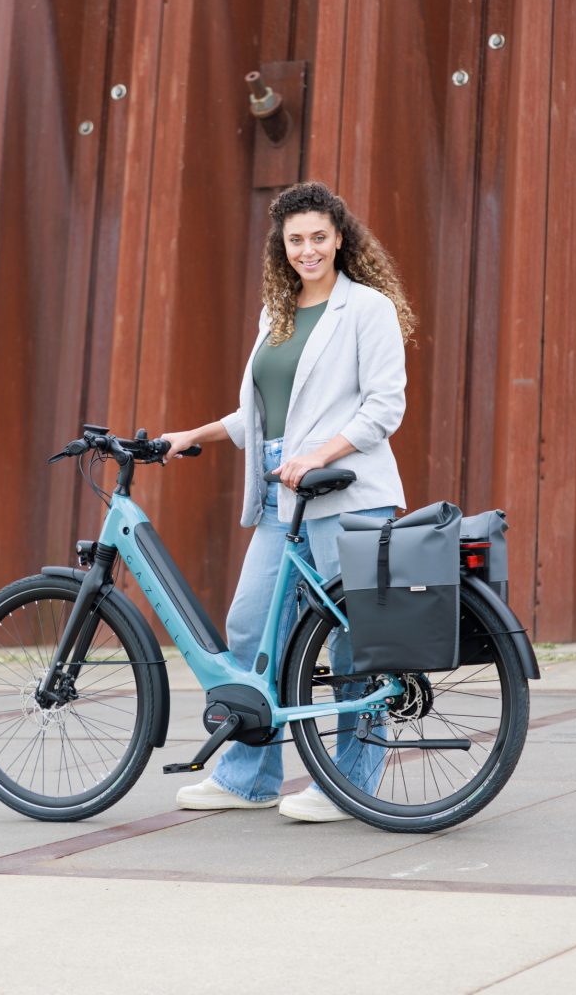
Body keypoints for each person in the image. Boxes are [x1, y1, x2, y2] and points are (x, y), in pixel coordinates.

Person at [160, 181, 415, 822]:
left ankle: (348, 785)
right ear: (283, 244)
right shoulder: (277, 314)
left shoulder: (368, 308)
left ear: (339, 239)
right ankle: (248, 777)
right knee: (251, 630)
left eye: (318, 238)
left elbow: (384, 407)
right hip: (283, 498)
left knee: (354, 645)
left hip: (347, 493)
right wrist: (197, 434)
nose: (307, 249)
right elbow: (262, 414)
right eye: (295, 239)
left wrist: (318, 456)